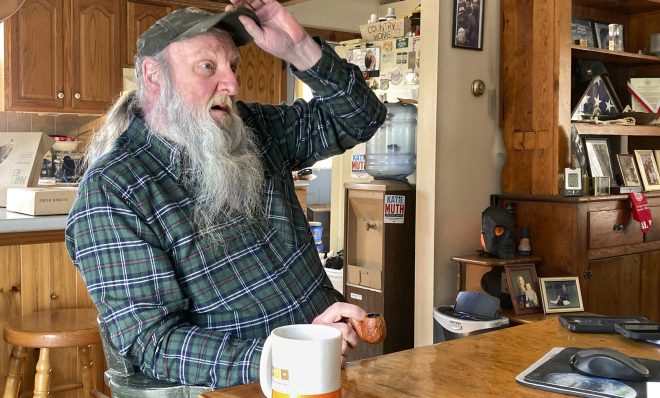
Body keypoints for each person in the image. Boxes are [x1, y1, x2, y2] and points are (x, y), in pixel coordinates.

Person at [65, 0, 386, 389]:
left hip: (330, 369)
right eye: (207, 67)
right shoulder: (114, 191)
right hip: (237, 388)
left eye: (233, 66)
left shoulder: (254, 128)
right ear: (153, 76)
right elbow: (152, 343)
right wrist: (290, 351)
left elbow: (361, 116)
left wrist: (298, 47)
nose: (232, 84)